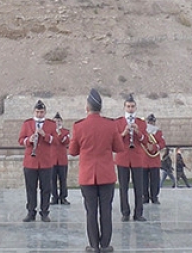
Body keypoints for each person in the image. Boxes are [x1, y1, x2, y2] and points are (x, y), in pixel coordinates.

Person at [69, 88, 123, 253]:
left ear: (87, 108)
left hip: (87, 175)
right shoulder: (110, 125)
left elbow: (72, 151)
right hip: (106, 174)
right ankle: (105, 245)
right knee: (106, 210)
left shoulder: (79, 127)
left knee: (91, 211)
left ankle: (93, 245)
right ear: (101, 108)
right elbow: (119, 147)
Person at [18, 99, 57, 222]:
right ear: (34, 112)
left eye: (41, 112)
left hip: (45, 161)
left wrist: (45, 135)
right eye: (37, 112)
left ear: (45, 112)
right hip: (30, 161)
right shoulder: (27, 124)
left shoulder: (51, 124)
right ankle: (31, 212)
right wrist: (29, 139)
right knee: (31, 188)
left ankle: (45, 212)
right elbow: (20, 140)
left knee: (46, 188)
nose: (39, 114)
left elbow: (55, 141)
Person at [115, 94, 147, 222]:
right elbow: (115, 141)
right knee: (123, 187)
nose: (130, 109)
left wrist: (138, 132)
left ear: (136, 108)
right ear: (124, 108)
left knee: (139, 187)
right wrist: (124, 133)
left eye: (132, 106)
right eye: (128, 106)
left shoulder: (141, 122)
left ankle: (138, 213)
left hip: (137, 157)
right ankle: (125, 212)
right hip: (123, 157)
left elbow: (145, 140)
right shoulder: (118, 122)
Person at [142, 113, 166, 204]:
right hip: (144, 159)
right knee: (143, 181)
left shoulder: (158, 132)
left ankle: (154, 197)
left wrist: (155, 147)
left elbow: (162, 143)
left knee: (155, 180)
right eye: (150, 121)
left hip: (154, 159)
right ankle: (145, 196)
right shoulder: (144, 132)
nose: (151, 123)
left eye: (152, 121)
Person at [50, 112, 71, 205]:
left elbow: (66, 141)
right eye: (55, 121)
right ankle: (54, 197)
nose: (57, 123)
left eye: (59, 121)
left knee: (63, 179)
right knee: (52, 180)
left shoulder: (66, 132)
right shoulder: (50, 132)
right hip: (52, 160)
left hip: (62, 160)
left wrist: (60, 134)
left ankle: (63, 197)